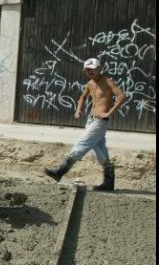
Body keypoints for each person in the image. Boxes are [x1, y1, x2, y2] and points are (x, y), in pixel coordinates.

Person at [44, 57, 127, 191]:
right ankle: (109, 183)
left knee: (82, 143)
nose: (89, 72)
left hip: (101, 121)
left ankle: (60, 171)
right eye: (87, 70)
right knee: (101, 152)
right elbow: (83, 97)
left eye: (92, 69)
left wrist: (110, 113)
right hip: (91, 120)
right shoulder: (90, 83)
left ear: (99, 68)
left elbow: (122, 96)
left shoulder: (108, 81)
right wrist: (79, 109)